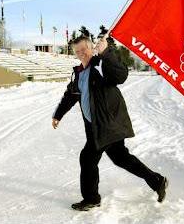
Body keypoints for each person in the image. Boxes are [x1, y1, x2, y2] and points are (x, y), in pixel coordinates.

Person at [52, 35, 168, 211]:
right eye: (78, 51)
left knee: (88, 158)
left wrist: (106, 52)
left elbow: (120, 75)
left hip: (106, 124)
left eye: (84, 49)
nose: (82, 53)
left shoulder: (100, 65)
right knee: (121, 158)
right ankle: (157, 180)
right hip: (94, 127)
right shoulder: (79, 72)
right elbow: (71, 95)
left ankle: (91, 198)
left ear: (91, 48)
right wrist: (58, 114)